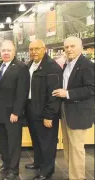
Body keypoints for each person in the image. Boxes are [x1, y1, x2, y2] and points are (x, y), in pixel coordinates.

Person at [52, 36, 94, 180]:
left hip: (79, 113)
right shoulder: (67, 64)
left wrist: (67, 93)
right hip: (67, 111)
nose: (69, 49)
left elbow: (91, 89)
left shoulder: (87, 64)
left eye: (72, 46)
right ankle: (73, 175)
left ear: (81, 47)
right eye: (67, 47)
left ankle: (78, 177)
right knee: (68, 148)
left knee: (76, 149)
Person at [25, 40, 62, 180]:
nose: (34, 51)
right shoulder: (30, 65)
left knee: (47, 142)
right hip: (31, 109)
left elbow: (54, 94)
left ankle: (47, 170)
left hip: (44, 112)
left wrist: (49, 115)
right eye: (31, 49)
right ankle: (38, 162)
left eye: (37, 49)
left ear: (44, 49)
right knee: (36, 139)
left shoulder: (52, 67)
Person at [0, 40, 29, 180]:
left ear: (14, 52)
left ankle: (13, 170)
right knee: (3, 141)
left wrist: (17, 112)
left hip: (13, 113)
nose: (6, 53)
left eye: (9, 50)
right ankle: (6, 164)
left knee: (13, 143)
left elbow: (22, 91)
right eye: (3, 50)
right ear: (0, 52)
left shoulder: (21, 67)